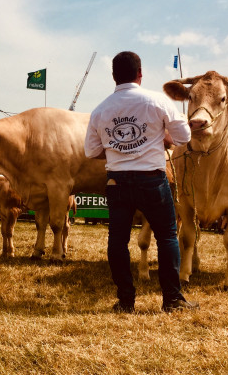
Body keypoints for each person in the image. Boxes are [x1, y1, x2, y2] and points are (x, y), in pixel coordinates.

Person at [84, 51, 197, 314]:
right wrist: (161, 138)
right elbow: (183, 136)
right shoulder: (156, 101)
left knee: (118, 240)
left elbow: (91, 151)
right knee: (167, 236)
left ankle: (125, 301)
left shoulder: (100, 110)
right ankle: (172, 299)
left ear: (113, 76)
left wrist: (118, 149)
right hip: (151, 179)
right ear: (140, 73)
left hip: (117, 181)